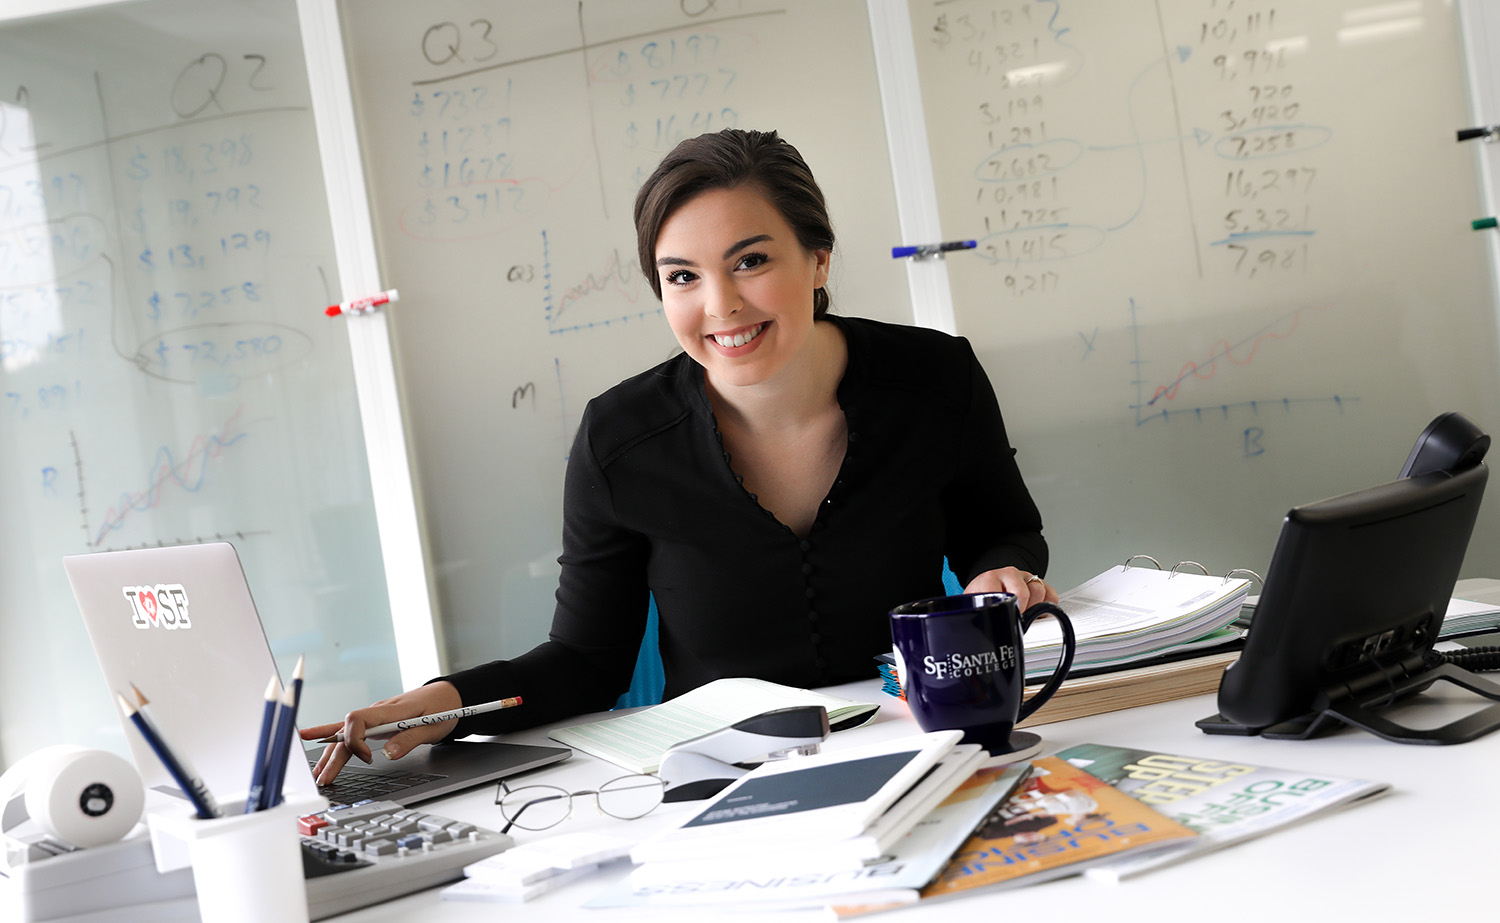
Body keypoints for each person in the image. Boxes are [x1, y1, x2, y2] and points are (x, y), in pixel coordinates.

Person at [303, 129, 1055, 785]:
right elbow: (586, 659)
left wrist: (1002, 571)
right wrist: (440, 706)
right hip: (729, 779)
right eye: (682, 277)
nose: (720, 305)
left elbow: (1007, 531)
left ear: (818, 260)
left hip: (932, 748)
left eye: (751, 260)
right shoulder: (621, 439)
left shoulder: (936, 378)